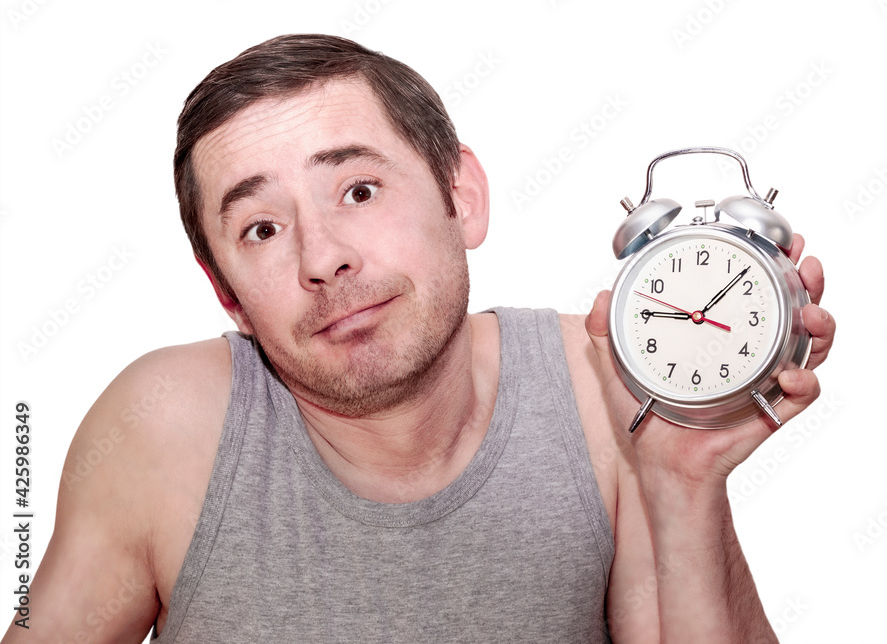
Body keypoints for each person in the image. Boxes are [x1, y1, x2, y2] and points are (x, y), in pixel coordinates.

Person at [3, 34, 834, 643]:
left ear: (460, 194)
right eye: (260, 229)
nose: (323, 256)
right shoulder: (161, 428)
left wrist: (684, 483)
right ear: (227, 292)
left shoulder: (599, 388)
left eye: (358, 189)